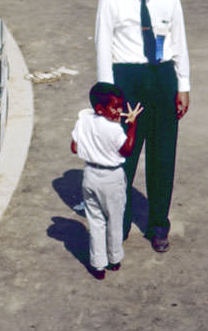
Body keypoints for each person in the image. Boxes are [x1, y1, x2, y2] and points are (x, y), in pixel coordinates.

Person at [95, 0, 191, 254]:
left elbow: (179, 39)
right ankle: (117, 225)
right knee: (124, 157)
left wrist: (183, 85)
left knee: (163, 156)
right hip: (127, 81)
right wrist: (107, 100)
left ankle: (158, 225)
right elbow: (102, 49)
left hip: (162, 78)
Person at [71, 82, 142, 279]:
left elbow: (74, 147)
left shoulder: (83, 121)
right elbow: (127, 150)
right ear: (100, 109)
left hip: (90, 176)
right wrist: (132, 126)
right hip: (112, 177)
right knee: (115, 220)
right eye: (115, 107)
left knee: (95, 220)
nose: (119, 111)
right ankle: (114, 258)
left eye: (120, 107)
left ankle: (97, 264)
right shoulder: (114, 129)